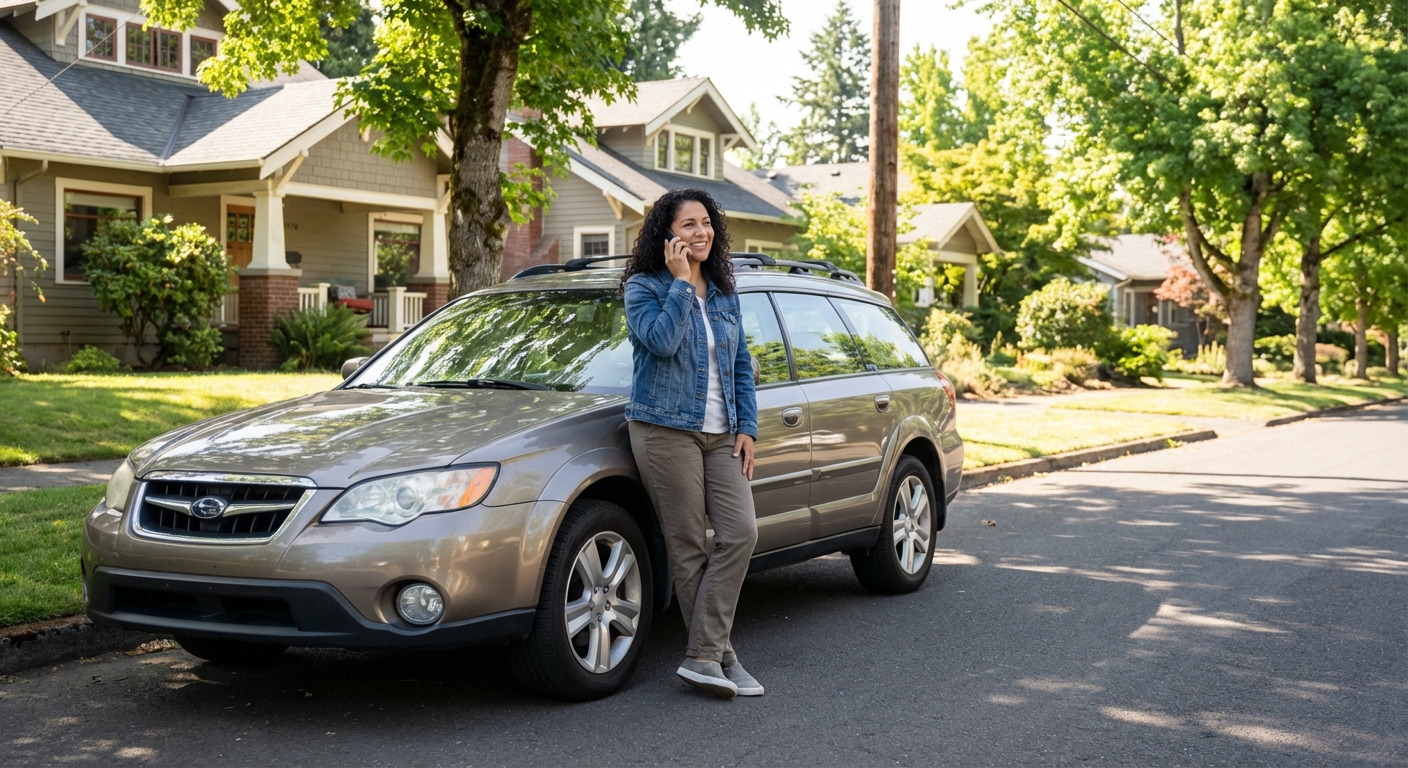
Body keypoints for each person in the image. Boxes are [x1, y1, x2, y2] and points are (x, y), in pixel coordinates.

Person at [621, 188, 762, 699]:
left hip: (722, 433)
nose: (700, 232)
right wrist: (681, 284)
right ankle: (718, 658)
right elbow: (659, 343)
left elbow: (741, 362)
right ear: (667, 236)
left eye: (705, 223)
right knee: (686, 546)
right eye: (688, 225)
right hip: (664, 429)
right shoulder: (643, 287)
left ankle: (707, 655)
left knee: (740, 532)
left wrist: (747, 426)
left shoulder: (725, 290)